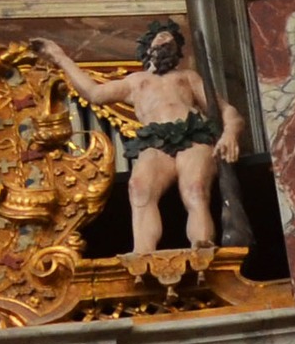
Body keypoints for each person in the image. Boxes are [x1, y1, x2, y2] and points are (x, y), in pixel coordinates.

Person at [37, 18, 242, 258]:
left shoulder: (187, 77)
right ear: (147, 47)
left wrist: (229, 133)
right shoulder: (135, 82)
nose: (167, 39)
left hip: (193, 135)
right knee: (139, 187)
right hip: (155, 141)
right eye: (161, 36)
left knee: (194, 188)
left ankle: (202, 246)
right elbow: (94, 93)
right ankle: (143, 254)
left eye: (171, 38)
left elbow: (228, 111)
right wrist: (61, 58)